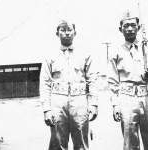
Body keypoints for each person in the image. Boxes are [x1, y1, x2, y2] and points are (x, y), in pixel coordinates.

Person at [40, 19, 98, 150]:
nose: (66, 33)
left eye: (69, 30)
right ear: (57, 33)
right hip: (57, 102)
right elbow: (44, 83)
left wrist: (93, 104)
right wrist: (47, 109)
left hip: (79, 101)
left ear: (75, 33)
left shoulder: (85, 54)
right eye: (63, 30)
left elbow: (92, 81)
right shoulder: (49, 55)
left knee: (81, 142)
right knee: (57, 143)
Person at [108, 10, 148, 150]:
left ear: (138, 27)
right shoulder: (115, 52)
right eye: (126, 26)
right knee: (130, 140)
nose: (130, 28)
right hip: (126, 98)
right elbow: (113, 81)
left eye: (133, 25)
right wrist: (115, 105)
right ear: (121, 29)